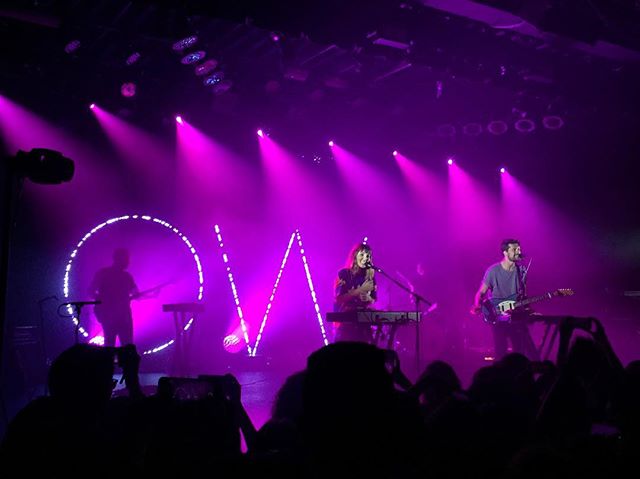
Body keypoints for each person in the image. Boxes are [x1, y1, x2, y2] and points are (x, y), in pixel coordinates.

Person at [471, 239, 539, 360]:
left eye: (519, 248)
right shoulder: (493, 271)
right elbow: (481, 292)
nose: (519, 251)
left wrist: (529, 310)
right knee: (501, 353)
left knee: (520, 354)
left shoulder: (522, 271)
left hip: (517, 318)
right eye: (514, 249)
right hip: (498, 318)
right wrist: (478, 305)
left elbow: (524, 296)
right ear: (505, 252)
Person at [89, 247, 139, 347]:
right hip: (117, 317)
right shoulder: (108, 274)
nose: (128, 262)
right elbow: (91, 291)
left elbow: (136, 294)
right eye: (127, 259)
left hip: (121, 316)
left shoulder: (124, 276)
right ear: (119, 258)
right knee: (124, 347)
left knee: (112, 346)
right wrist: (104, 303)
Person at [333, 243, 377, 342]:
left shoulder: (369, 276)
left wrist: (369, 299)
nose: (365, 258)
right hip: (347, 323)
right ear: (355, 255)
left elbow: (373, 298)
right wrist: (358, 291)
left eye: (368, 255)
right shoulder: (344, 274)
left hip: (364, 324)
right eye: (362, 254)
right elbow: (339, 298)